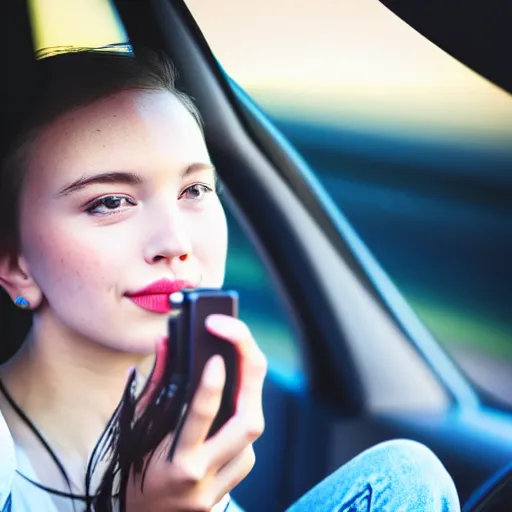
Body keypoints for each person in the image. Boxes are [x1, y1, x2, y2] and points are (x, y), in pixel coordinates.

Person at [0, 48, 461, 511]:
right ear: (15, 265)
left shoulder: (190, 422)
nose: (176, 241)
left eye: (195, 190)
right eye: (110, 202)